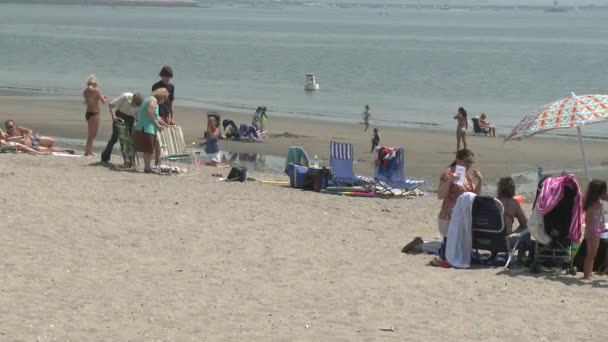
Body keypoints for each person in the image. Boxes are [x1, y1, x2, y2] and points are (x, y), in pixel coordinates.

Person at [436, 148, 483, 257]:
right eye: (466, 161)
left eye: (471, 162)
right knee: (454, 248)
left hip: (462, 217)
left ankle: (423, 245)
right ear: (457, 160)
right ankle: (421, 246)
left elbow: (475, 196)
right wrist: (450, 181)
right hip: (448, 217)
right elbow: (440, 195)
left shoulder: (467, 176)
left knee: (460, 247)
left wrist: (480, 181)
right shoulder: (448, 173)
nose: (469, 165)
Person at [100, 92, 144, 165]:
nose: (135, 106)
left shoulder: (139, 105)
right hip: (120, 116)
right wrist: (113, 116)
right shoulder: (125, 97)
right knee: (114, 138)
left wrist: (137, 125)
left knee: (129, 141)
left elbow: (137, 116)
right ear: (133, 99)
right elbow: (111, 105)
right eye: (134, 104)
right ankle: (105, 157)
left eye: (137, 105)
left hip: (130, 119)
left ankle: (129, 160)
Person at [133, 88, 170, 173]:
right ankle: (147, 168)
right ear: (161, 96)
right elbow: (149, 113)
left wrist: (164, 124)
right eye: (164, 98)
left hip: (147, 127)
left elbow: (155, 117)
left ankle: (151, 166)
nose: (164, 101)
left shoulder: (150, 99)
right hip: (146, 127)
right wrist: (157, 125)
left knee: (152, 148)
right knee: (148, 150)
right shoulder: (153, 100)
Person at [496, 177, 531, 264]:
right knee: (527, 230)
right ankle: (520, 258)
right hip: (505, 242)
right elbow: (525, 224)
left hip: (491, 239)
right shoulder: (513, 203)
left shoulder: (493, 201)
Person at [583, 180, 607, 279]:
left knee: (593, 254)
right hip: (593, 232)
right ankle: (586, 275)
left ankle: (589, 273)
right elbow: (590, 220)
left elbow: (600, 219)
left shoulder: (595, 203)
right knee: (591, 254)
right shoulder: (593, 205)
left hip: (594, 230)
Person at [3, 120, 74, 154]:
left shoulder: (19, 128)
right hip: (32, 146)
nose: (10, 128)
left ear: (14, 125)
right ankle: (65, 149)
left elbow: (30, 131)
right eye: (8, 127)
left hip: (33, 139)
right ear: (6, 128)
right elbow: (6, 141)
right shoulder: (7, 135)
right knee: (49, 149)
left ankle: (47, 145)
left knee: (52, 141)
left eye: (11, 126)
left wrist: (27, 138)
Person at [83, 74, 108, 156]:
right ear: (94, 84)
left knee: (91, 134)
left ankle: (89, 150)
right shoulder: (96, 91)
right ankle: (87, 151)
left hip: (88, 113)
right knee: (92, 134)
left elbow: (89, 100)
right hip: (94, 113)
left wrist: (99, 98)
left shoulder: (85, 91)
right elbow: (103, 101)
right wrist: (105, 98)